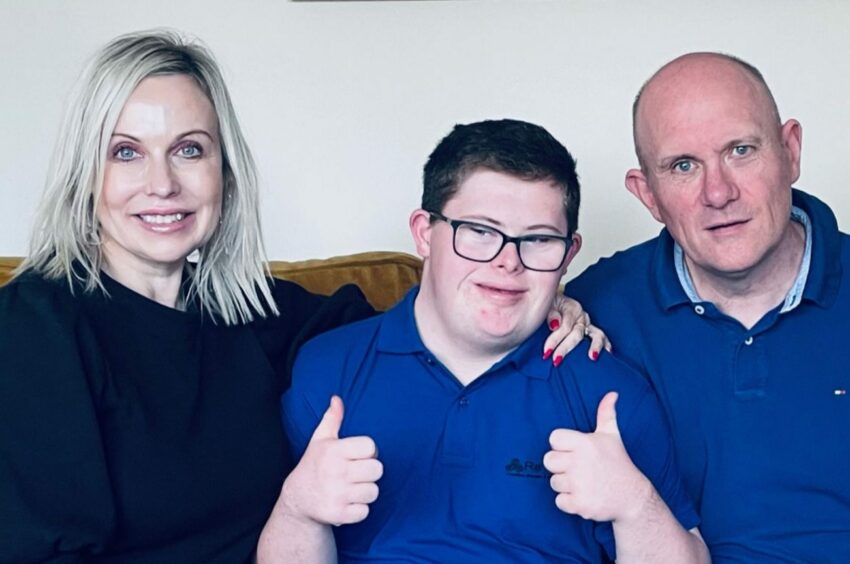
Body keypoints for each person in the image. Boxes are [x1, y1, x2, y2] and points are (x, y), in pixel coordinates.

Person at [0, 31, 601, 563]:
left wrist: (534, 295)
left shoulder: (259, 315)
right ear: (86, 174)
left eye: (190, 150)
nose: (162, 184)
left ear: (224, 173)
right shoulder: (35, 330)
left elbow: (427, 327)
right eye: (125, 152)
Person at [258, 119, 709, 563]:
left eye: (538, 239)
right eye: (479, 232)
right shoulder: (327, 368)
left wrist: (635, 505)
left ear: (569, 255)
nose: (508, 262)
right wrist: (298, 511)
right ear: (424, 233)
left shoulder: (610, 394)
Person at [566, 52, 850, 560]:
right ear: (647, 194)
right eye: (683, 166)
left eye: (741, 150)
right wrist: (548, 313)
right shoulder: (596, 308)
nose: (718, 192)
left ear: (790, 151)